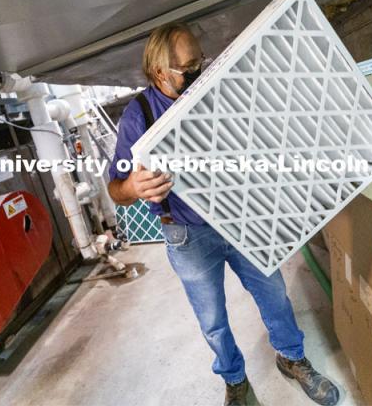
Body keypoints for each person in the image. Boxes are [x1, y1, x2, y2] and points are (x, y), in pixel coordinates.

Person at [107, 22, 339, 406]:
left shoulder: (213, 92)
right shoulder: (140, 114)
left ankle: (292, 358)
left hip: (240, 216)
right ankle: (235, 381)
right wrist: (132, 188)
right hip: (187, 234)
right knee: (212, 319)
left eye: (200, 60)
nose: (198, 70)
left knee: (274, 294)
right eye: (188, 66)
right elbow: (116, 189)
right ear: (159, 73)